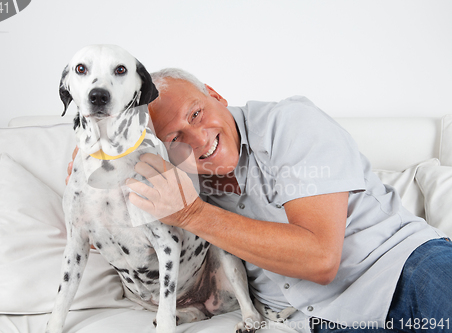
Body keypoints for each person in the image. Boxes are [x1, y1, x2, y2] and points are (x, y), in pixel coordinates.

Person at [67, 68, 452, 333]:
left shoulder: (290, 124)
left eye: (197, 113)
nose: (198, 140)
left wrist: (191, 214)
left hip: (403, 272)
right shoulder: (177, 175)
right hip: (312, 320)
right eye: (175, 137)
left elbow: (320, 259)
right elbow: (111, 226)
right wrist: (98, 172)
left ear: (215, 95)